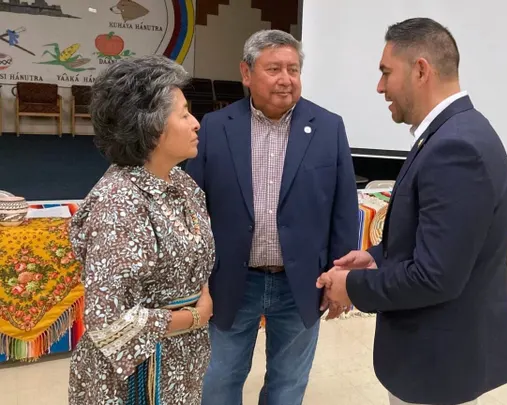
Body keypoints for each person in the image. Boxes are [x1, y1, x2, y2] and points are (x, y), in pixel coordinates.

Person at [317, 18, 507, 405]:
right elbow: (430, 241)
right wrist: (375, 258)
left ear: (421, 69)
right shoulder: (453, 133)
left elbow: (435, 277)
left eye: (386, 72)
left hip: (437, 366)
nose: (380, 86)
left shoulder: (456, 148)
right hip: (436, 357)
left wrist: (351, 287)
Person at [185, 29, 358, 405]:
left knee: (287, 385)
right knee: (219, 381)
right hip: (232, 280)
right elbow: (194, 208)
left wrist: (341, 279)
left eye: (293, 69)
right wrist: (195, 280)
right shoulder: (215, 127)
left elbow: (343, 209)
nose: (286, 79)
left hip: (301, 283)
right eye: (274, 69)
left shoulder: (329, 127)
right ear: (246, 73)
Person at [67, 55, 215, 405]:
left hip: (180, 360)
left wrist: (201, 293)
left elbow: (195, 253)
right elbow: (107, 321)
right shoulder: (120, 201)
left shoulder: (181, 182)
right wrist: (193, 316)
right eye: (183, 114)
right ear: (150, 127)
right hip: (135, 374)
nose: (196, 123)